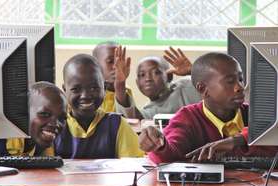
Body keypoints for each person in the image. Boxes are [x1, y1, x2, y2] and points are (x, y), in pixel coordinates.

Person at [138, 52, 278, 164]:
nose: (240, 87)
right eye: (230, 82)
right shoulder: (188, 118)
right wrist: (159, 145)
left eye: (240, 79)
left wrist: (237, 140)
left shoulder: (255, 114)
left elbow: (273, 138)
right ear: (203, 89)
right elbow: (171, 154)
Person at [54, 54, 144, 159]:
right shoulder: (56, 127)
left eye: (93, 88)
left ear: (104, 88)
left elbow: (134, 165)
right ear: (64, 90)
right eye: (76, 89)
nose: (85, 96)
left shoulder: (117, 125)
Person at [115, 47, 201, 119]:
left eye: (156, 72)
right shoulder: (148, 113)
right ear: (137, 83)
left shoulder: (189, 86)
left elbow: (212, 88)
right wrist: (120, 84)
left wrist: (193, 71)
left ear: (169, 76)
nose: (148, 78)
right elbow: (133, 121)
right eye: (142, 75)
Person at [7, 81, 67, 156]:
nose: (55, 124)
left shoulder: (42, 145)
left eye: (62, 118)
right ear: (24, 114)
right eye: (45, 114)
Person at [92, 41, 134, 112]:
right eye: (110, 61)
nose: (116, 66)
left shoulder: (126, 90)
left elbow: (130, 118)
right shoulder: (92, 93)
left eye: (120, 61)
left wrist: (120, 84)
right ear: (96, 65)